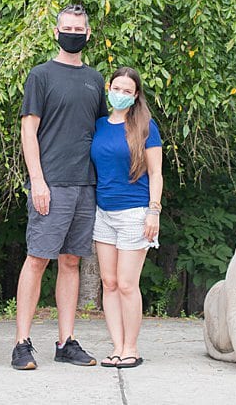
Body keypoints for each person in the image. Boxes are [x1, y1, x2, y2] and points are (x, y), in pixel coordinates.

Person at [11, 4, 108, 370]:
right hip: (50, 184)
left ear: (87, 34)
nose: (72, 32)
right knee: (37, 259)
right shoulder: (41, 75)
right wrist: (38, 180)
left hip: (86, 185)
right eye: (66, 27)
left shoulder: (96, 80)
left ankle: (65, 342)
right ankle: (22, 343)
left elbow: (102, 132)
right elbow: (28, 130)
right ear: (56, 32)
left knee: (71, 262)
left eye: (78, 28)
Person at [91, 66, 163, 369]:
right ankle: (117, 346)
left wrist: (153, 211)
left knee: (126, 284)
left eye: (126, 91)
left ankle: (132, 348)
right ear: (109, 89)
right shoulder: (99, 125)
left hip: (135, 213)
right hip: (102, 213)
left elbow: (157, 173)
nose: (119, 94)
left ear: (135, 96)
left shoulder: (146, 126)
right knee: (108, 283)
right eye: (116, 88)